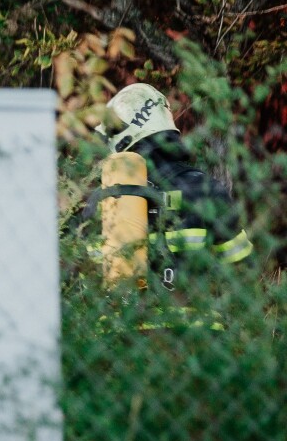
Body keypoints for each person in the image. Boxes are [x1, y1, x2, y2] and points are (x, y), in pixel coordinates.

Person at [95, 82, 253, 288]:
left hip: (124, 317)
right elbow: (241, 270)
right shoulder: (207, 190)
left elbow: (88, 275)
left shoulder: (106, 201)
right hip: (196, 317)